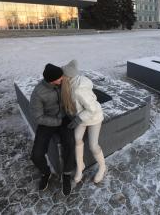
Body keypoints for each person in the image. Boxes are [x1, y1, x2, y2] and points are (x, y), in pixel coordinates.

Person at [29, 63, 76, 195]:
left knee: (70, 143)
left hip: (64, 119)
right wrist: (57, 121)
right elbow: (38, 117)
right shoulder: (38, 93)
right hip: (47, 122)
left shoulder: (63, 83)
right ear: (52, 79)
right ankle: (45, 172)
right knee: (36, 154)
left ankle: (66, 174)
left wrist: (74, 116)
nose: (63, 78)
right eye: (60, 77)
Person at [61, 60, 106, 184]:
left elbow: (92, 109)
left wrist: (78, 119)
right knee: (77, 138)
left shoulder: (79, 89)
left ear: (68, 76)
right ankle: (80, 166)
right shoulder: (70, 83)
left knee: (93, 145)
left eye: (62, 76)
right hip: (82, 116)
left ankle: (102, 167)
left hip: (94, 117)